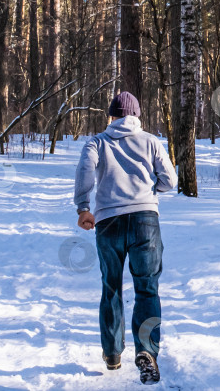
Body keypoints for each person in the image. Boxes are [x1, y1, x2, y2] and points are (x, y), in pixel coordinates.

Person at [74, 91, 177, 385]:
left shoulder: (97, 142)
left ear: (112, 115)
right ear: (136, 116)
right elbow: (169, 180)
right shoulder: (150, 141)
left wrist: (83, 207)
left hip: (108, 222)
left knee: (111, 286)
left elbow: (85, 172)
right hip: (146, 220)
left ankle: (112, 353)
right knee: (147, 288)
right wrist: (149, 192)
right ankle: (146, 352)